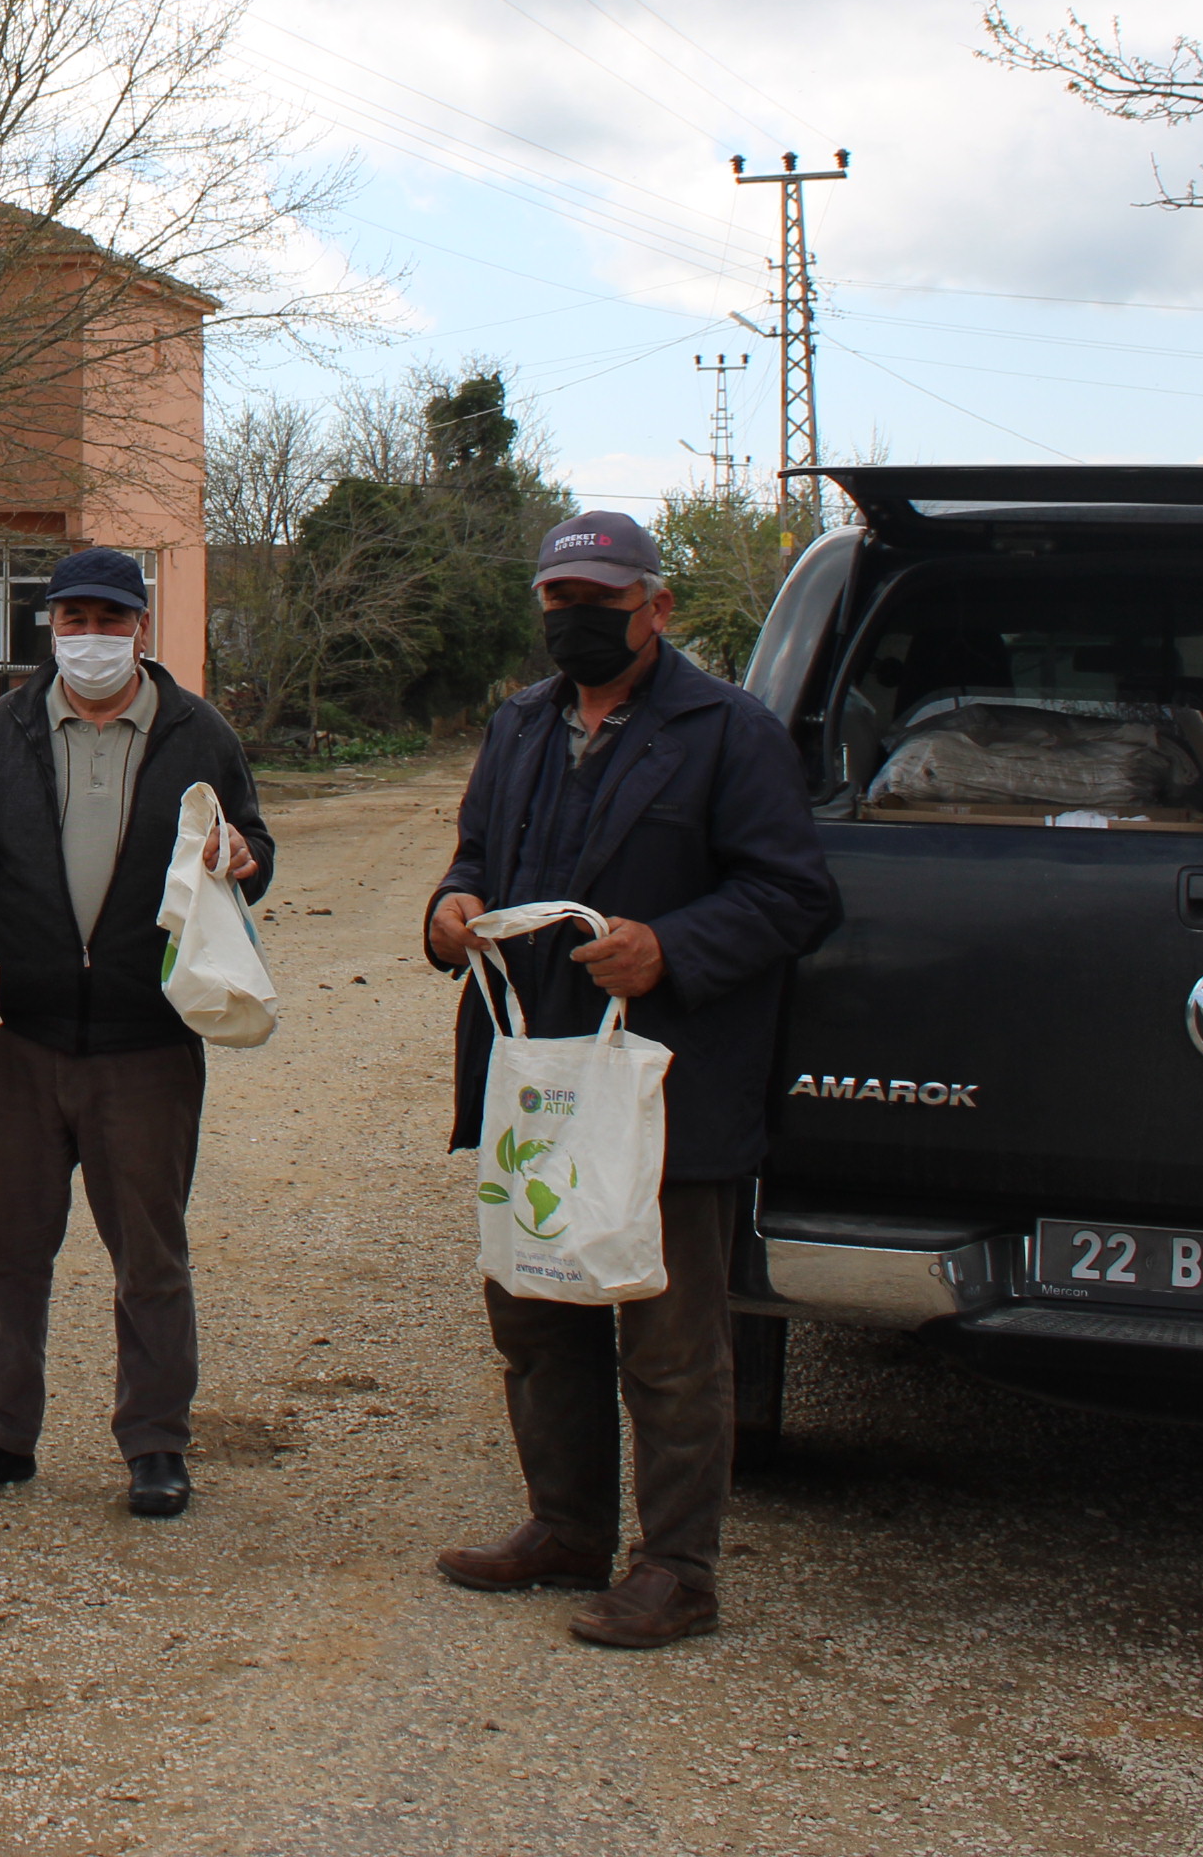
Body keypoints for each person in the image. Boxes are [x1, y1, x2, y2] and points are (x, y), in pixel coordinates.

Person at [419, 508, 841, 1647]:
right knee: (537, 1309)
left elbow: (796, 895)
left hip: (662, 1081)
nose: (578, 621)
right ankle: (566, 1528)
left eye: (603, 602)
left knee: (668, 1339)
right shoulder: (519, 726)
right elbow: (475, 854)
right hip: (536, 1076)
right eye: (561, 600)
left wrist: (673, 949)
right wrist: (451, 911)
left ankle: (679, 1570)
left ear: (657, 606)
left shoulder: (729, 731)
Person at [0, 547, 270, 1519]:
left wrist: (242, 853)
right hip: (20, 1038)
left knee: (150, 1252)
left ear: (140, 627)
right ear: (49, 628)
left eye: (109, 619)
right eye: (72, 620)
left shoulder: (198, 734)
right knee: (7, 1246)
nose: (90, 638)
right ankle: (1, 1432)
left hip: (147, 1041)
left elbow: (252, 844)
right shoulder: (5, 730)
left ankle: (155, 1444)